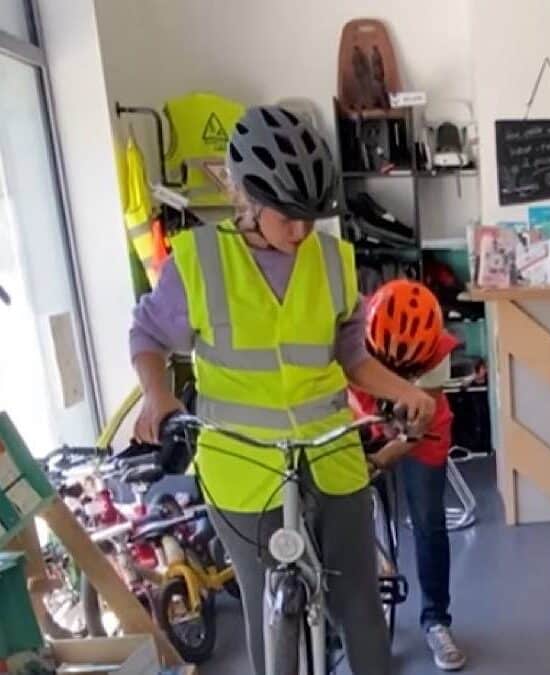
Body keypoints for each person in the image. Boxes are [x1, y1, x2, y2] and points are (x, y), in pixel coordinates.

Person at [129, 105, 435, 675]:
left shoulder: (334, 259)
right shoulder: (199, 260)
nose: (300, 231)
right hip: (242, 468)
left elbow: (350, 357)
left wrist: (406, 392)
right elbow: (147, 335)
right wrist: (157, 395)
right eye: (287, 216)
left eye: (311, 217)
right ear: (248, 197)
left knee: (361, 612)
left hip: (330, 454)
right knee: (270, 622)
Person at [348, 279, 468, 672]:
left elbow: (415, 432)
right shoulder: (352, 332)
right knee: (343, 523)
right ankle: (356, 622)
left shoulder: (437, 355)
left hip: (425, 431)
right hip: (359, 416)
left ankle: (436, 621)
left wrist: (382, 459)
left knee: (428, 523)